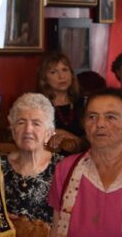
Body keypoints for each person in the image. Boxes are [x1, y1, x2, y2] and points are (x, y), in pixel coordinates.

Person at [48, 88, 122, 236]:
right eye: (92, 117)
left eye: (111, 117)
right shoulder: (66, 169)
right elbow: (56, 229)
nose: (100, 124)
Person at [1, 93, 62, 227]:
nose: (28, 129)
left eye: (36, 123)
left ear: (48, 134)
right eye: (21, 122)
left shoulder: (62, 169)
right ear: (13, 131)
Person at [37, 52, 85, 153]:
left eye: (65, 70)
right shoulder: (38, 106)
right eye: (53, 72)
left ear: (71, 74)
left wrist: (67, 135)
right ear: (45, 79)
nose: (61, 76)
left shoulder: (84, 103)